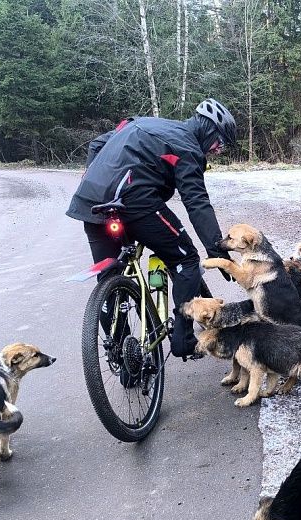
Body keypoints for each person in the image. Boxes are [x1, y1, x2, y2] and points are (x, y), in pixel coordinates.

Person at [66, 98, 236, 358]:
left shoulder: (142, 122)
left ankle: (121, 354)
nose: (217, 150)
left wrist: (91, 174)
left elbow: (97, 144)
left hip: (91, 203)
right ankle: (183, 340)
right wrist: (217, 249)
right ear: (208, 129)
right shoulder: (187, 147)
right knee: (187, 259)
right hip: (135, 204)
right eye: (220, 142)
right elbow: (197, 203)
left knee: (110, 275)